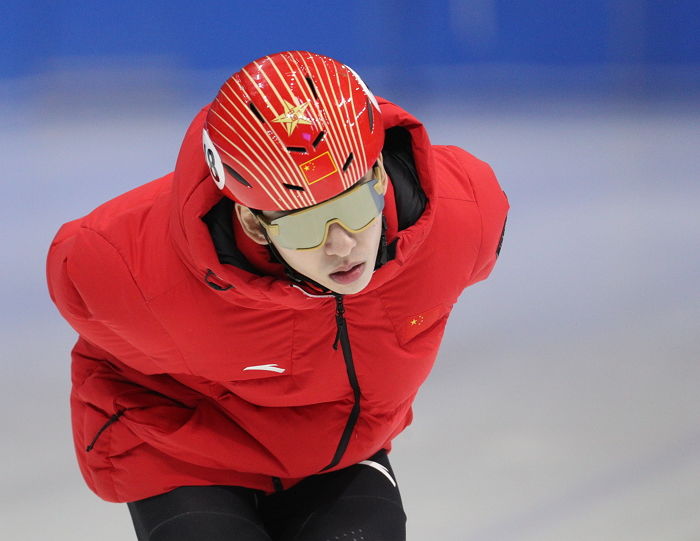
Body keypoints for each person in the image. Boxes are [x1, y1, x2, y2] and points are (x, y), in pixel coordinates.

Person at [46, 51, 509, 541]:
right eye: (306, 224)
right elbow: (81, 295)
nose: (342, 245)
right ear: (252, 223)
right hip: (185, 448)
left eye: (354, 206)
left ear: (377, 177)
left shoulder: (465, 217)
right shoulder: (122, 268)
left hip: (333, 450)